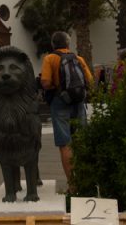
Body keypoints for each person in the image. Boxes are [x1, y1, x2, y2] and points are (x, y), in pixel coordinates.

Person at [40, 31, 93, 186]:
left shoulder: (50, 58)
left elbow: (45, 82)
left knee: (65, 144)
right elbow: (89, 80)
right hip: (78, 102)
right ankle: (85, 179)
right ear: (68, 44)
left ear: (53, 45)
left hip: (60, 102)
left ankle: (73, 184)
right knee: (81, 140)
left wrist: (57, 87)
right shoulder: (78, 58)